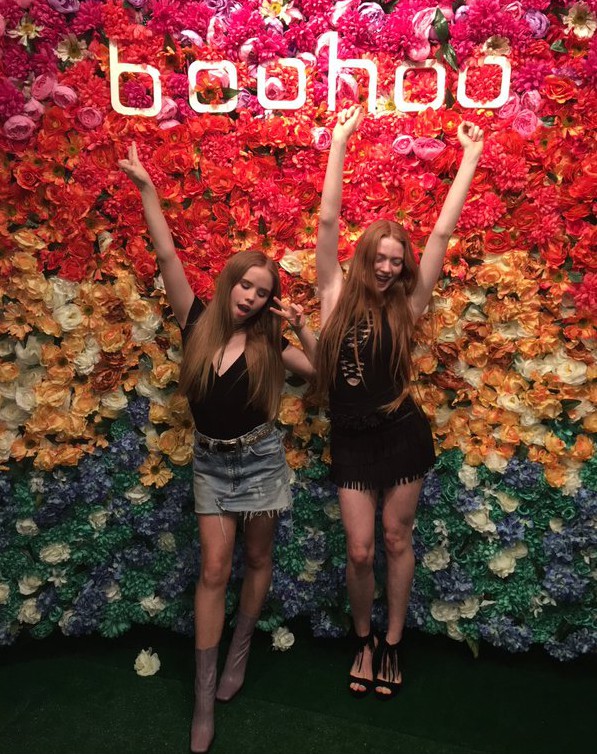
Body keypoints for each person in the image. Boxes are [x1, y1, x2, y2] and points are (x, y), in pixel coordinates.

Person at [118, 143, 316, 753]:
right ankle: (203, 700)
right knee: (213, 569)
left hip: (260, 461)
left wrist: (302, 325)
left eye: (262, 292)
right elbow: (166, 255)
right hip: (211, 462)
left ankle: (240, 651)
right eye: (246, 285)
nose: (251, 297)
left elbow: (319, 375)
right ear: (231, 281)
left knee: (257, 559)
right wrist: (148, 189)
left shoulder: (270, 342)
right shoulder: (197, 320)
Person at [315, 105, 484, 699]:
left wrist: (470, 159)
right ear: (363, 256)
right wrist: (340, 141)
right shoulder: (332, 292)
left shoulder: (408, 306)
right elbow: (328, 220)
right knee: (360, 550)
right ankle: (362, 639)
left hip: (401, 433)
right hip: (351, 438)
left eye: (396, 260)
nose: (388, 267)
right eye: (380, 257)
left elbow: (440, 236)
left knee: (395, 539)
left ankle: (391, 642)